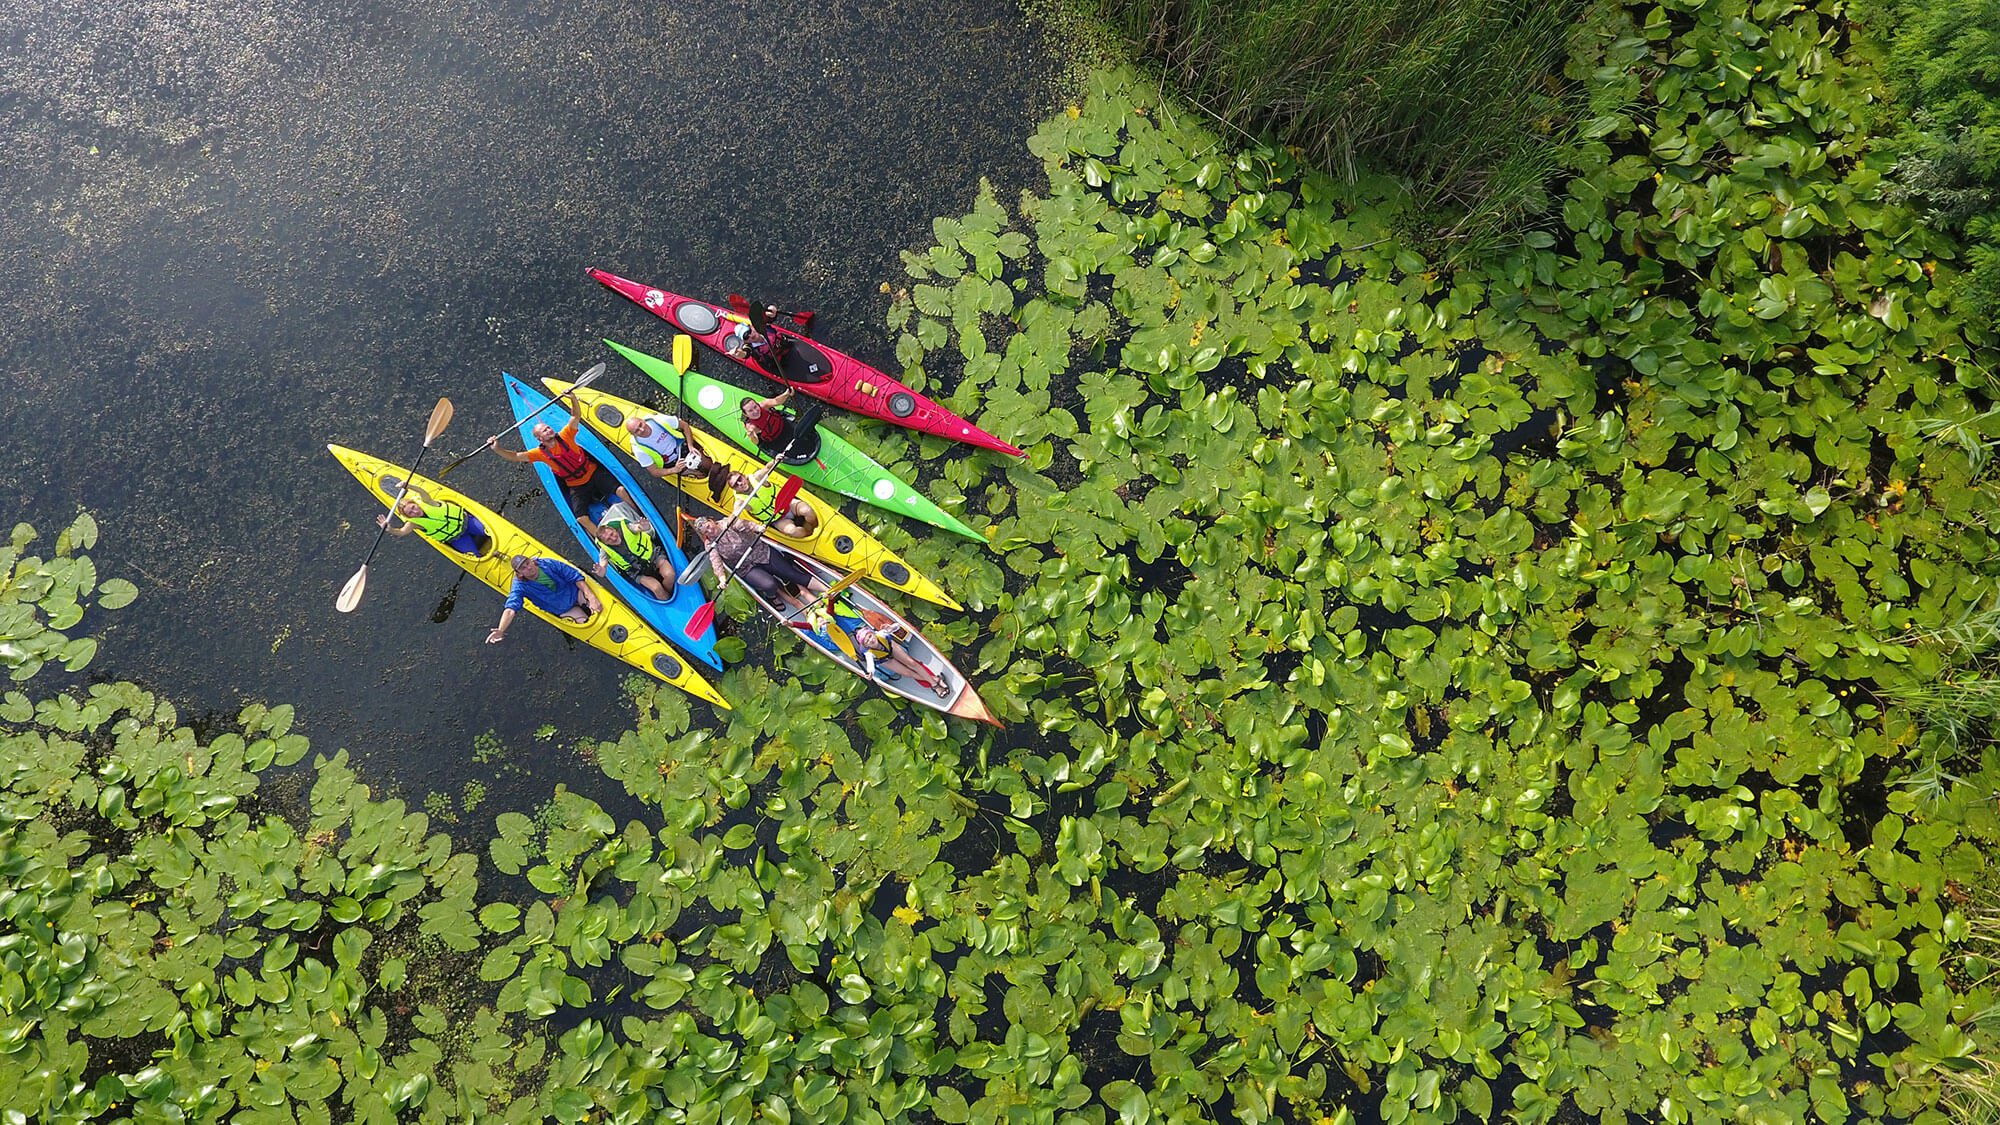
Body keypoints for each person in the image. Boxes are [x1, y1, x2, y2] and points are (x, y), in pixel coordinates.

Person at [490, 388, 628, 535]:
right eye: (544, 430)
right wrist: (497, 448)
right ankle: (604, 541)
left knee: (621, 490)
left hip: (593, 472)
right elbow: (515, 456)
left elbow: (575, 416)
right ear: (540, 439)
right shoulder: (539, 454)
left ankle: (643, 516)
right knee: (581, 518)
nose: (549, 429)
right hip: (577, 485)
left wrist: (572, 398)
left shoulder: (566, 435)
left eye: (548, 427)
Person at [690, 515, 826, 612]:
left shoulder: (728, 523)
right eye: (705, 532)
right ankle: (772, 595)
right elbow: (716, 562)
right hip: (746, 567)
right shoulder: (710, 544)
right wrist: (722, 578)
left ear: (711, 521)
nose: (709, 531)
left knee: (790, 573)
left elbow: (746, 525)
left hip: (761, 552)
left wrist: (757, 528)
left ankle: (826, 589)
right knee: (769, 584)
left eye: (708, 526)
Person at [488, 554, 601, 643]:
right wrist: (501, 629)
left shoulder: (548, 563)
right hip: (562, 609)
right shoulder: (519, 587)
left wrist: (591, 597)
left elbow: (574, 576)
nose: (529, 567)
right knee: (585, 623)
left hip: (575, 593)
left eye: (528, 563)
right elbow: (510, 609)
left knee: (598, 608)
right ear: (519, 573)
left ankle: (589, 605)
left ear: (531, 561)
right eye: (523, 568)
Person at [703, 461, 819, 539]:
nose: (740, 484)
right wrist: (727, 523)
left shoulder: (757, 477)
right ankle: (810, 533)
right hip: (776, 519)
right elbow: (734, 514)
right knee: (793, 531)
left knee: (807, 511)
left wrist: (775, 460)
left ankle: (814, 526)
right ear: (734, 488)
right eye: (736, 485)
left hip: (788, 503)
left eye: (740, 479)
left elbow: (768, 468)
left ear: (744, 476)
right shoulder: (740, 501)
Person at [376, 484, 490, 557]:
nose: (415, 512)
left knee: (487, 530)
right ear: (409, 516)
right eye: (410, 513)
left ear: (415, 504)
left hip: (467, 523)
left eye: (413, 507)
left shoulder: (428, 502)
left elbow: (421, 491)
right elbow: (401, 532)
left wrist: (408, 486)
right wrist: (389, 529)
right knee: (474, 555)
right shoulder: (413, 523)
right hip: (457, 538)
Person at [592, 504, 675, 599]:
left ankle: (671, 592)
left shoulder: (627, 528)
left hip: (654, 556)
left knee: (670, 574)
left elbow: (637, 527)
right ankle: (667, 597)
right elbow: (603, 565)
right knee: (656, 588)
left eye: (612, 534)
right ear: (605, 543)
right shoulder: (604, 551)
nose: (613, 538)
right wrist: (601, 571)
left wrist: (644, 526)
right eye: (608, 539)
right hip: (637, 571)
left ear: (614, 529)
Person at [738, 389, 822, 464]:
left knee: (806, 438)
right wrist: (752, 435)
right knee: (797, 450)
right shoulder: (751, 427)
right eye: (750, 411)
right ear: (746, 414)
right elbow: (756, 442)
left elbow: (777, 401)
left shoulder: (764, 405)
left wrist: (786, 393)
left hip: (785, 426)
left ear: (757, 404)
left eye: (755, 406)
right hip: (776, 441)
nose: (755, 411)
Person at [625, 411, 704, 481]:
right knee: (701, 475)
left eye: (640, 425)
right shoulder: (638, 449)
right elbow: (654, 472)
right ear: (633, 434)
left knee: (705, 463)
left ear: (643, 420)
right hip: (672, 463)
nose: (642, 429)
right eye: (637, 431)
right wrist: (674, 470)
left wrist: (690, 445)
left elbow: (685, 426)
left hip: (683, 446)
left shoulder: (658, 420)